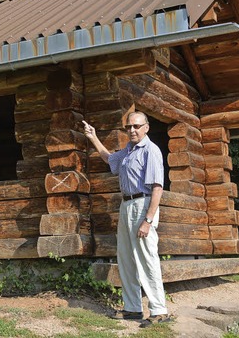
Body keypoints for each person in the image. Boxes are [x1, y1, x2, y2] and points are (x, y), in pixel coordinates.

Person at [82, 111, 171, 327]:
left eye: (136, 126)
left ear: (146, 127)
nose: (132, 130)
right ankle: (132, 308)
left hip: (143, 205)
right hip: (126, 205)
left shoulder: (151, 151)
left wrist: (148, 220)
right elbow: (109, 159)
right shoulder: (129, 150)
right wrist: (93, 137)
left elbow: (157, 188)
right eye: (128, 127)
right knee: (126, 258)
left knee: (147, 258)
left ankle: (159, 310)